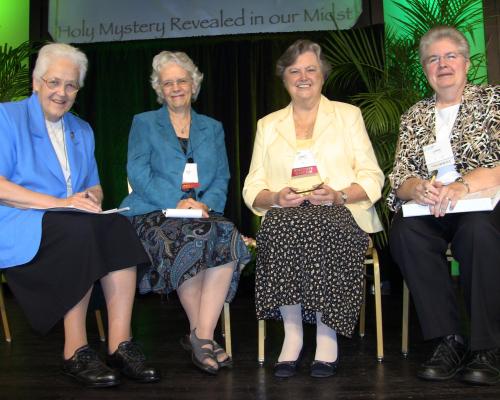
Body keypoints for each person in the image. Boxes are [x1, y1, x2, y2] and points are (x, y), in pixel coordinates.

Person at [0, 43, 160, 387]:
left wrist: (88, 198)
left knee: (117, 225)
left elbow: (95, 188)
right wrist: (60, 203)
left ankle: (120, 344)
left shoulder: (81, 130)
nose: (61, 92)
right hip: (15, 221)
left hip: (66, 220)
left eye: (70, 85)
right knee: (79, 230)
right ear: (36, 82)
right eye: (54, 82)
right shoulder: (6, 117)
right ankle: (76, 350)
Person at [242, 39, 384, 378]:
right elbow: (252, 185)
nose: (303, 76)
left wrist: (340, 195)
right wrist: (275, 197)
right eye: (295, 70)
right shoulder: (267, 124)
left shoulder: (348, 116)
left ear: (323, 76)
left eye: (310, 69)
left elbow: (372, 176)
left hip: (341, 211)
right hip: (287, 211)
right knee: (279, 225)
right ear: (284, 78)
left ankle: (326, 333)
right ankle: (292, 335)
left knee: (321, 226)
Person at [120, 51, 250, 375]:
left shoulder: (212, 127)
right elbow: (137, 172)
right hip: (155, 211)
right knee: (189, 237)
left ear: (194, 84)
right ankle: (205, 339)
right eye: (168, 83)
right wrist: (175, 202)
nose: (176, 87)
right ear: (159, 89)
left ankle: (200, 335)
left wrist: (206, 204)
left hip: (201, 211)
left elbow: (222, 176)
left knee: (229, 237)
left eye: (182, 80)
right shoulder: (144, 123)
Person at [388, 26, 500, 386]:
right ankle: (447, 339)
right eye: (433, 59)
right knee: (405, 232)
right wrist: (416, 188)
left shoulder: (494, 101)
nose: (443, 64)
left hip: (484, 204)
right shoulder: (413, 116)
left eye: (450, 55)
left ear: (467, 63)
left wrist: (463, 185)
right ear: (425, 70)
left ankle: (487, 346)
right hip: (432, 209)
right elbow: (398, 178)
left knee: (478, 232)